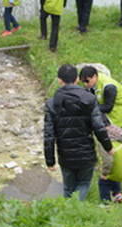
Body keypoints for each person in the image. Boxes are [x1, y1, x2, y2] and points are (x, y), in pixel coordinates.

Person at [44, 64, 114, 202]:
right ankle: (74, 209)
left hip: (65, 155)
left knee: (68, 188)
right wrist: (108, 147)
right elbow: (98, 127)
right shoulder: (89, 99)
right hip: (86, 153)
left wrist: (50, 160)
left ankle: (68, 213)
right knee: (83, 184)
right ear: (77, 79)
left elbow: (49, 135)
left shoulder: (52, 103)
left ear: (60, 81)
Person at [80, 66, 122, 205]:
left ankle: (106, 202)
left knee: (108, 151)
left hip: (119, 113)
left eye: (87, 81)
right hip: (109, 120)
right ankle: (117, 192)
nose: (86, 85)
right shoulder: (94, 84)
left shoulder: (109, 86)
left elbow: (108, 107)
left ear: (94, 77)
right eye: (84, 82)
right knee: (114, 151)